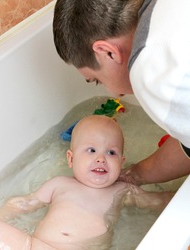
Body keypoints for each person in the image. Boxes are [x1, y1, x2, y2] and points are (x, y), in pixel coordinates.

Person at [53, 0, 190, 186]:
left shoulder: (152, 71)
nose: (114, 93)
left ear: (108, 52)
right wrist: (136, 174)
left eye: (97, 80)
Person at [0, 115, 173, 250]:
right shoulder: (59, 184)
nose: (101, 158)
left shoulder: (123, 190)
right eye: (91, 150)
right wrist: (1, 214)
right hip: (32, 246)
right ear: (71, 159)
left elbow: (156, 201)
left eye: (111, 153)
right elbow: (24, 204)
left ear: (121, 162)